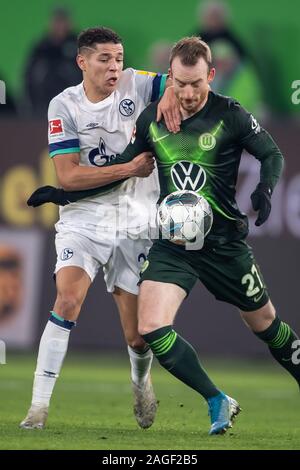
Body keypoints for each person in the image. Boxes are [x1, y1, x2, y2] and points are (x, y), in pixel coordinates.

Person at [35, 37, 300, 436]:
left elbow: (272, 154)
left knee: (265, 324)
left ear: (210, 76)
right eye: (180, 83)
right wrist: (64, 193)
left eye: (196, 83)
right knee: (151, 329)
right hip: (172, 243)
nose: (189, 93)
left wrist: (265, 188)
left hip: (224, 244)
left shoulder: (231, 114)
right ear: (170, 78)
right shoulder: (151, 120)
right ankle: (217, 400)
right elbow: (124, 166)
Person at [20, 26, 181, 430]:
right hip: (85, 218)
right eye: (105, 59)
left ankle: (140, 383)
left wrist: (173, 93)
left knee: (137, 336)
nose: (114, 67)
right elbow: (69, 178)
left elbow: (180, 79)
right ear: (82, 62)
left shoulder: (136, 84)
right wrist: (129, 167)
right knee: (67, 300)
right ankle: (37, 410)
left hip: (136, 218)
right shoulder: (64, 106)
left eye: (119, 59)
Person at [23, 7, 82, 116]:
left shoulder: (78, 44)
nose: (59, 26)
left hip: (74, 103)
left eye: (62, 21)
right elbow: (29, 74)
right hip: (44, 104)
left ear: (69, 24)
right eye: (57, 21)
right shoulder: (42, 47)